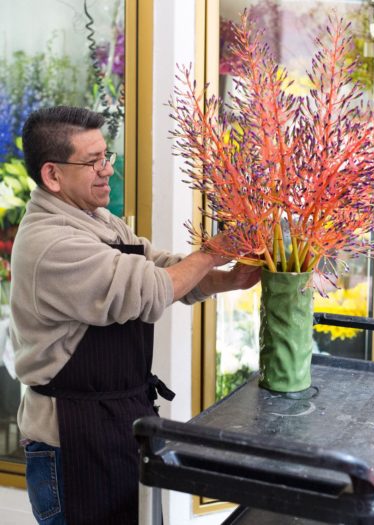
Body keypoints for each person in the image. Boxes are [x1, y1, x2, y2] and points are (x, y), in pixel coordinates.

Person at [9, 106, 261, 525]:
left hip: (117, 424)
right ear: (52, 175)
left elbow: (157, 266)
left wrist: (227, 280)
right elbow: (148, 289)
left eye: (105, 156)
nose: (107, 169)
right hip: (71, 442)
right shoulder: (50, 243)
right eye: (93, 162)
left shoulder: (97, 220)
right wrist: (213, 252)